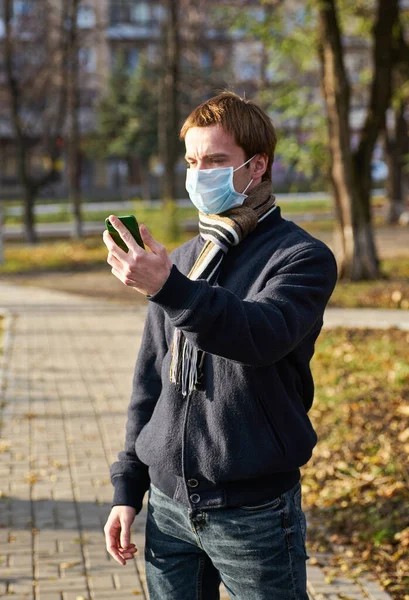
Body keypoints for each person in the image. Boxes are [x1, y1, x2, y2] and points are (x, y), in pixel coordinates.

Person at [103, 91, 337, 600]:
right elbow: (150, 383)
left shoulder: (302, 258)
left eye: (215, 160)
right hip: (167, 510)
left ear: (257, 166)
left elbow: (260, 335)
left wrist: (169, 287)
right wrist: (128, 488)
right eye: (191, 160)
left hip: (251, 512)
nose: (199, 173)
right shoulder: (185, 258)